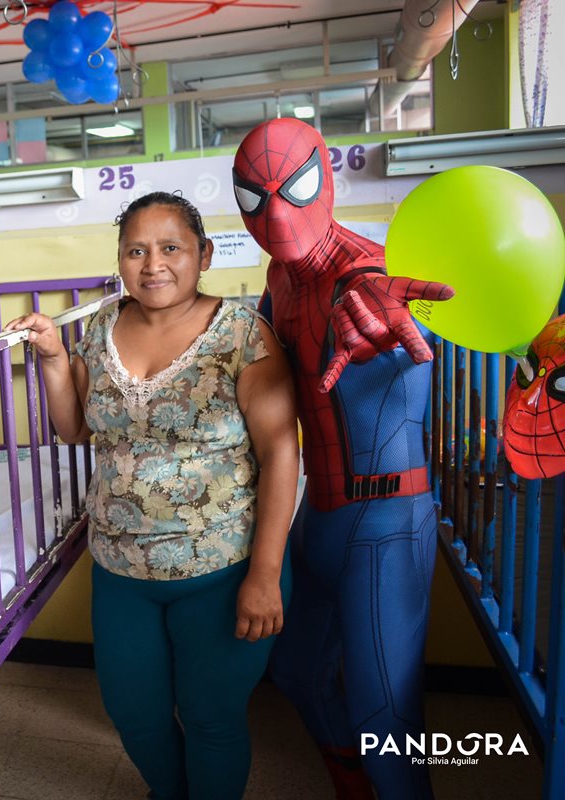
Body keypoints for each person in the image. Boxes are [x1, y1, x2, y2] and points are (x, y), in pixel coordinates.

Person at [4, 191, 299, 799]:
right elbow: (76, 428)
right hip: (119, 572)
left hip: (224, 568)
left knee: (212, 719)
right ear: (120, 259)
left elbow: (280, 453)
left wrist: (265, 574)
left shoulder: (241, 331)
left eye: (171, 248)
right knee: (134, 716)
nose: (152, 264)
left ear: (204, 255)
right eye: (136, 250)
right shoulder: (98, 328)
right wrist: (55, 359)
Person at [232, 118, 453, 799]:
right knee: (296, 672)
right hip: (320, 518)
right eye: (254, 196)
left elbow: (370, 289)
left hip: (387, 520)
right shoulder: (281, 274)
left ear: (327, 175)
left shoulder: (364, 269)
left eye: (292, 187)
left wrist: (374, 305)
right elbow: (264, 358)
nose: (275, 213)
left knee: (386, 719)